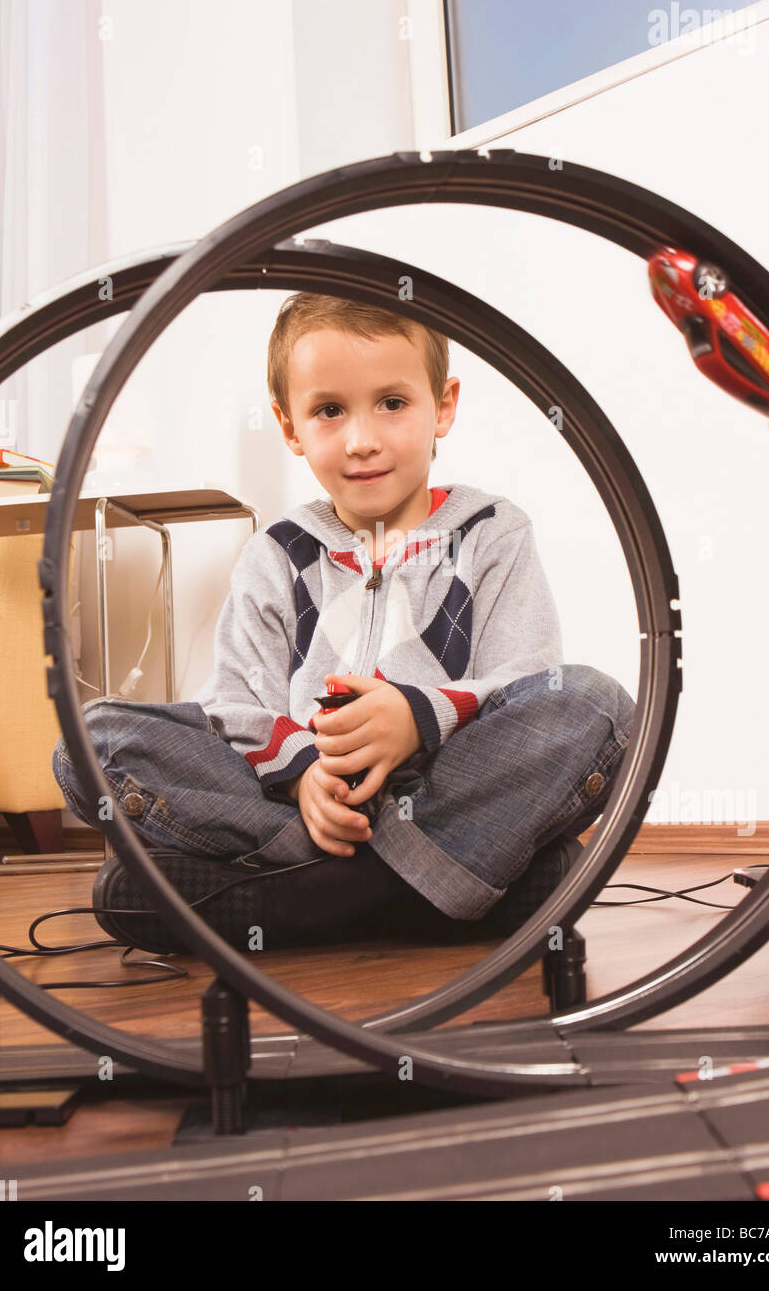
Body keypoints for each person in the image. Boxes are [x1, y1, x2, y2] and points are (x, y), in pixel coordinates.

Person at [52, 293, 635, 954]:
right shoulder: (276, 553)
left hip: (448, 790)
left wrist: (417, 715)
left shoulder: (492, 533)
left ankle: (305, 898)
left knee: (598, 705)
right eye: (330, 411)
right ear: (290, 426)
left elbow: (526, 677)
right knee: (89, 742)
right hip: (295, 803)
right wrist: (304, 776)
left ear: (443, 405)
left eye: (392, 403)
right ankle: (430, 892)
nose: (362, 440)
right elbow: (236, 704)